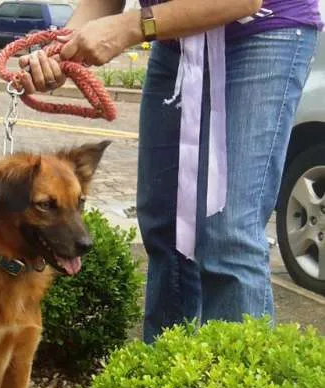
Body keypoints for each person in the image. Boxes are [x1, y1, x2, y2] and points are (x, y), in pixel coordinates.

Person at [19, 0, 322, 343]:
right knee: (166, 229)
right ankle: (166, 369)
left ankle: (235, 374)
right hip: (174, 40)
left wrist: (131, 26)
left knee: (227, 234)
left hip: (261, 32)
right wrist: (61, 50)